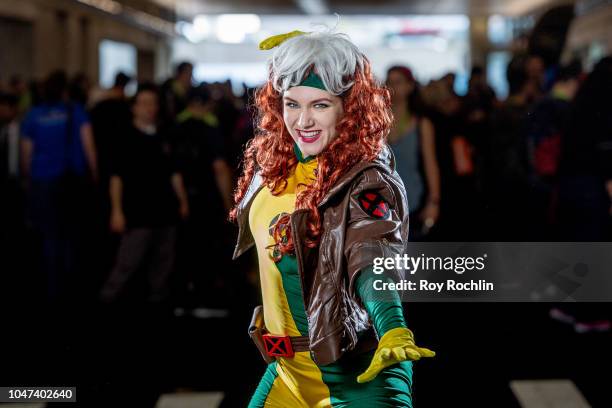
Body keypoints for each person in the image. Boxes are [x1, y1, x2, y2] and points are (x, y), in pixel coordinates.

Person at [231, 30, 434, 407]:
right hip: (287, 371)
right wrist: (303, 51)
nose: (303, 120)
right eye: (292, 104)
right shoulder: (274, 166)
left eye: (320, 105)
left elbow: (371, 256)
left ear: (348, 108)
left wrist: (392, 325)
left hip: (357, 374)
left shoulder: (363, 180)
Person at [99, 83, 189, 303]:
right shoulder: (124, 137)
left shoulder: (164, 135)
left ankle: (157, 304)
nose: (150, 108)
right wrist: (117, 211)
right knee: (127, 263)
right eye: (144, 103)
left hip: (165, 210)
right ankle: (107, 301)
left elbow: (173, 172)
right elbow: (116, 178)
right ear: (134, 107)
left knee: (163, 265)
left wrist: (182, 200)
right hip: (137, 213)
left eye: (153, 103)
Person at [20, 70, 98, 300]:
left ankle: (51, 284)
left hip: (43, 181)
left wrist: (27, 179)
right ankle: (71, 282)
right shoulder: (76, 112)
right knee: (72, 233)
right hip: (71, 180)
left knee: (48, 234)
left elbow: (26, 154)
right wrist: (94, 174)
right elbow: (89, 146)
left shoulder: (33, 116)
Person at [386, 66, 441, 239]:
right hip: (382, 206)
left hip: (413, 203)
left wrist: (434, 202)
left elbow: (430, 163)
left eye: (398, 82)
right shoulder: (378, 122)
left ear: (410, 86)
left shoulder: (421, 123)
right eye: (389, 82)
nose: (392, 87)